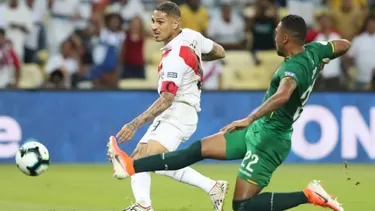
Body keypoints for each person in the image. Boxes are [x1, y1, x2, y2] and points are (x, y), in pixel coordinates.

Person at [108, 14, 351, 211]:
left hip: (270, 140)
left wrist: (249, 117)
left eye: (277, 34)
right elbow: (343, 45)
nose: (274, 38)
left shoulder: (295, 66)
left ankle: (308, 195)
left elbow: (283, 95)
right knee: (196, 150)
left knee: (242, 206)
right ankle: (130, 166)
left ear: (286, 38)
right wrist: (318, 60)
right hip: (258, 130)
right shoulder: (313, 52)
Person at [107, 2, 227, 211]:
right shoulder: (191, 36)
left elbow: (166, 99)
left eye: (160, 22)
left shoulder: (175, 57)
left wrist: (134, 124)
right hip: (181, 112)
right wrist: (197, 57)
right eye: (153, 21)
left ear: (175, 23)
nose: (154, 26)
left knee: (143, 159)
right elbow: (219, 51)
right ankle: (211, 187)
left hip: (178, 112)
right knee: (148, 159)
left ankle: (144, 207)